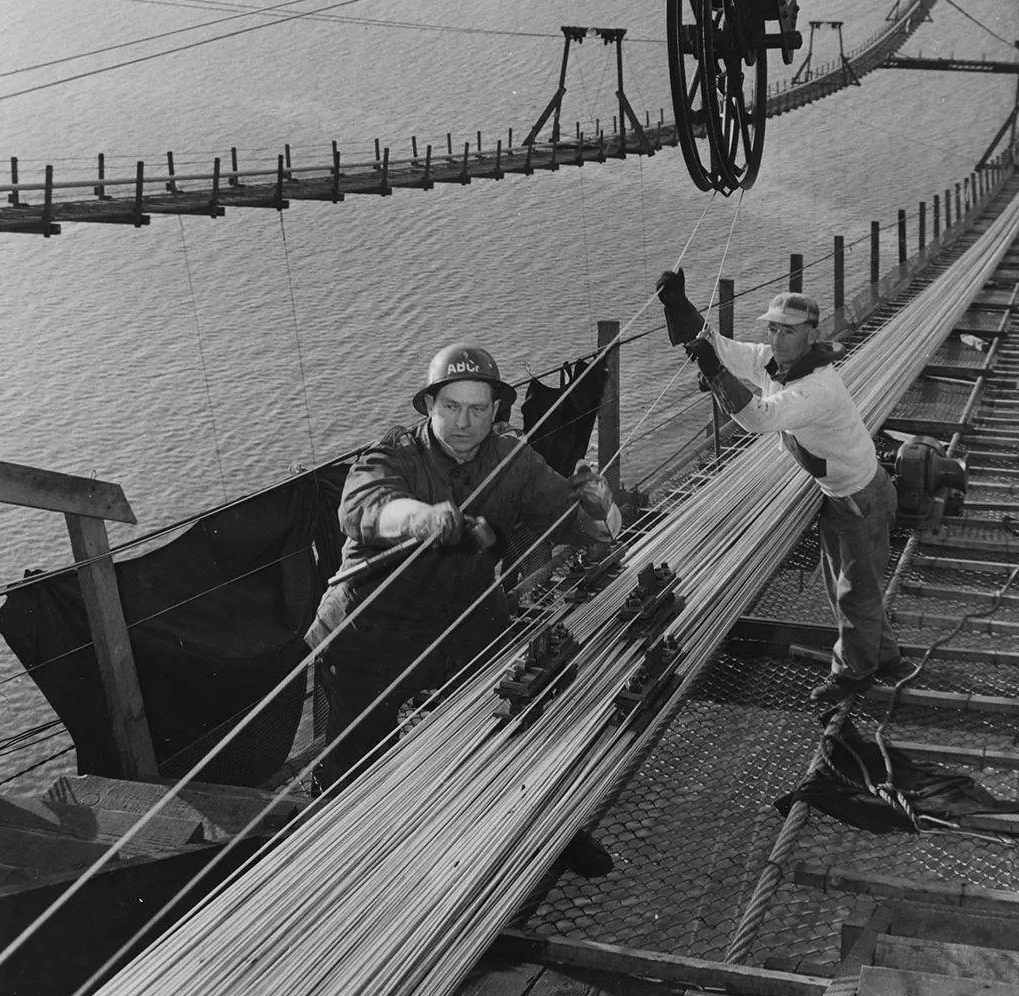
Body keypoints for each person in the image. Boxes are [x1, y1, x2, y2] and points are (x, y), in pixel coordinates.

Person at [310, 343, 619, 788]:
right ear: (430, 404)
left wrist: (599, 508)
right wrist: (421, 518)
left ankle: (499, 813)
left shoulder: (514, 461)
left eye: (477, 409)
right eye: (451, 406)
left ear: (495, 410)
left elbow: (588, 527)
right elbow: (362, 509)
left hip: (464, 614)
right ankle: (343, 818)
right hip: (371, 625)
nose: (463, 422)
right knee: (356, 765)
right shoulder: (394, 455)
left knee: (497, 723)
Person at [655, 271, 897, 709]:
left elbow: (760, 418)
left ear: (812, 334)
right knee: (849, 587)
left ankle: (855, 674)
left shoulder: (817, 388)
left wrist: (714, 374)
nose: (778, 338)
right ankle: (884, 653)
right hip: (838, 495)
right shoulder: (773, 361)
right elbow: (723, 349)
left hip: (862, 500)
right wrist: (680, 306)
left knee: (854, 591)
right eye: (773, 328)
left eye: (789, 330)